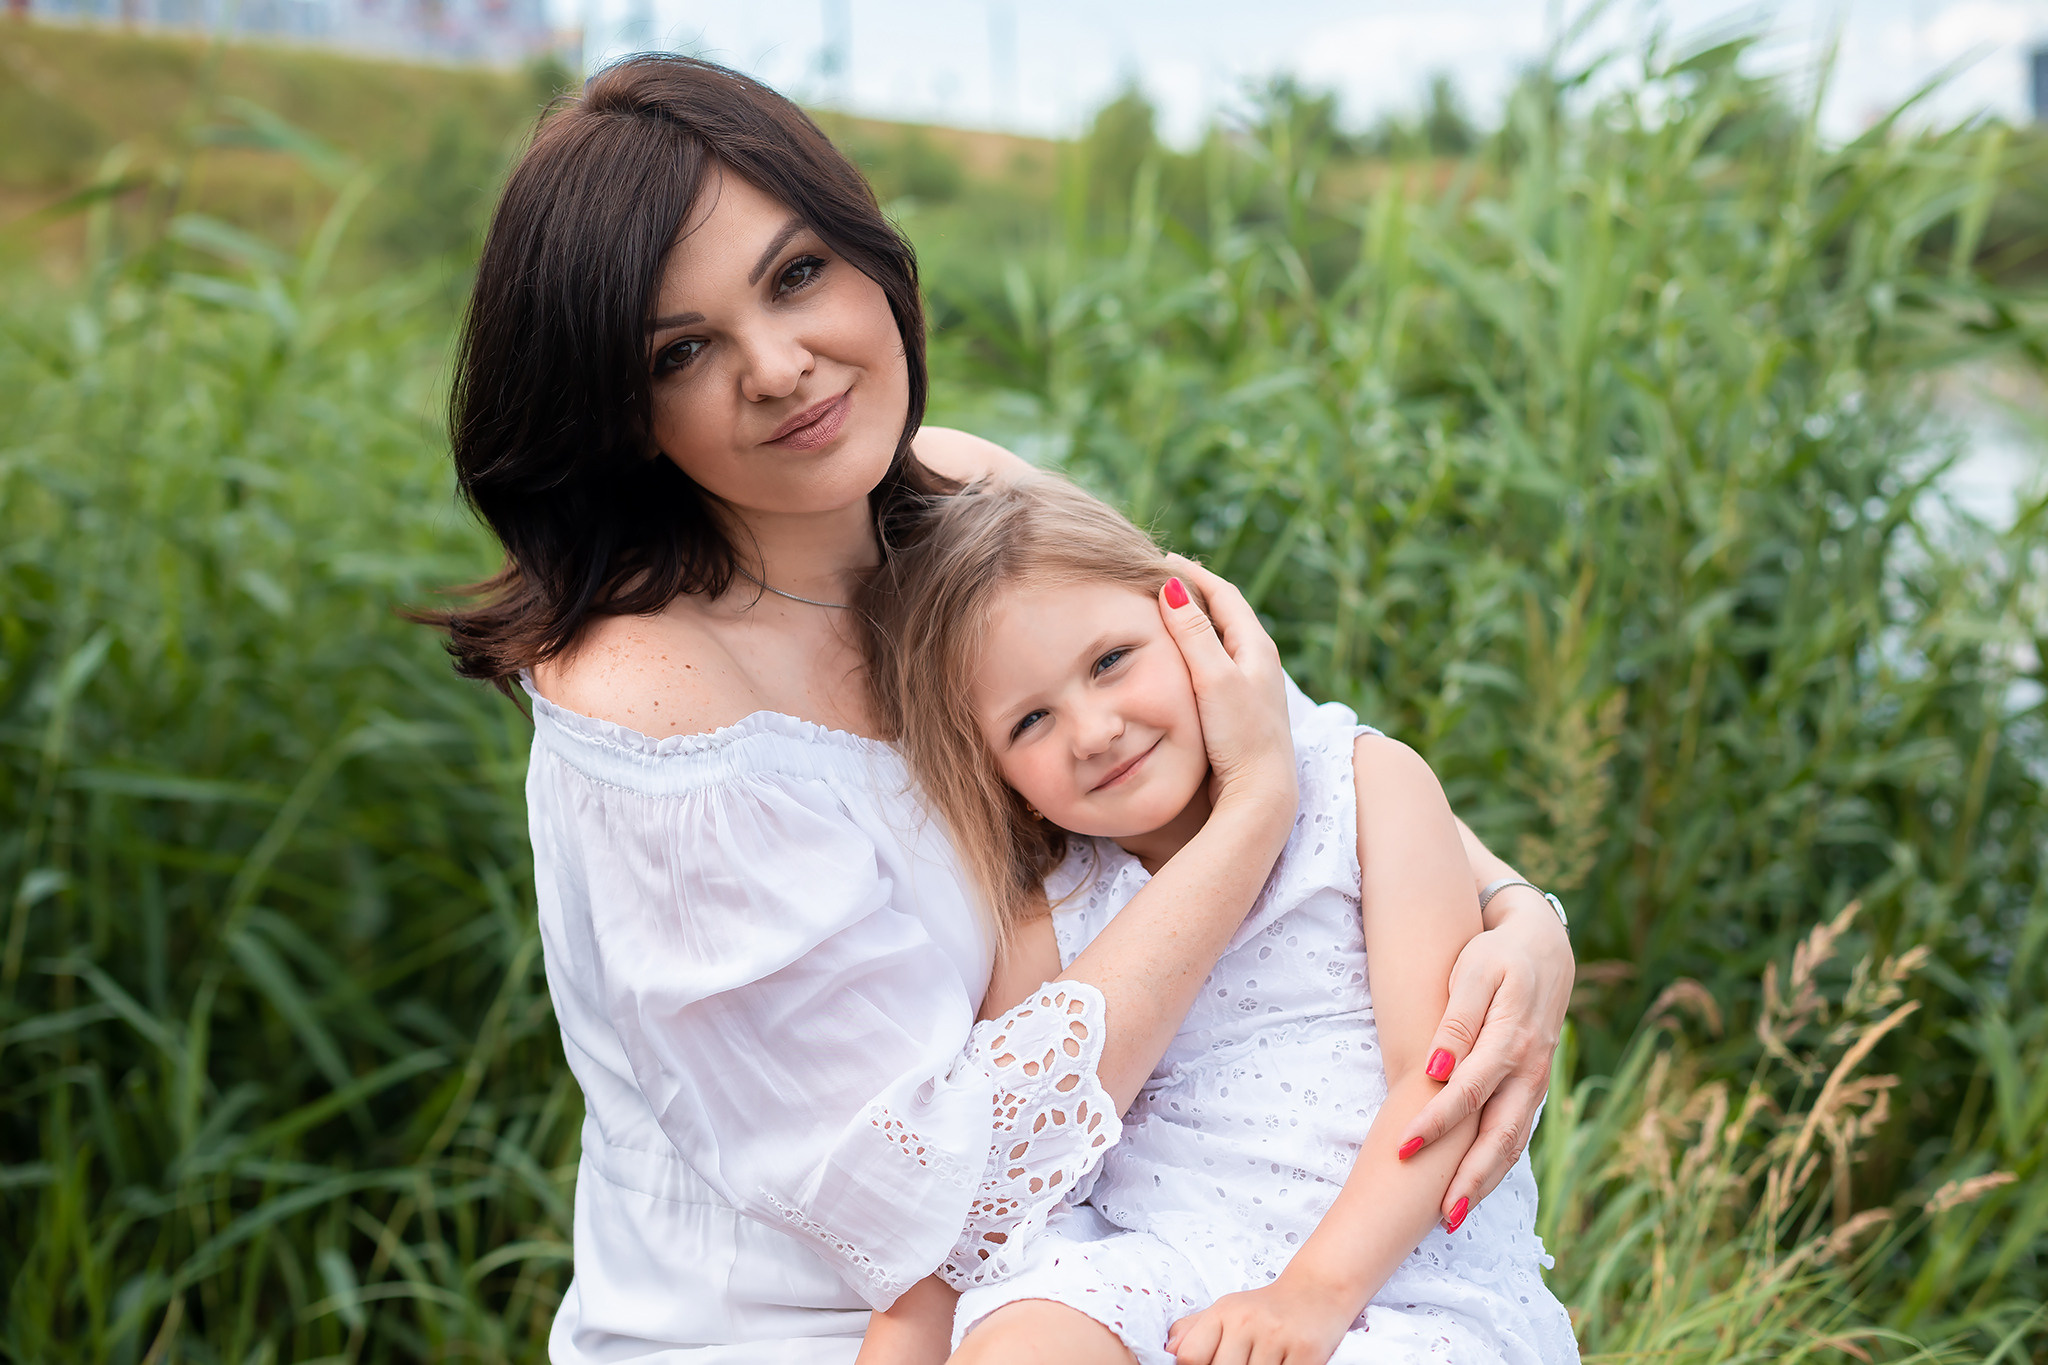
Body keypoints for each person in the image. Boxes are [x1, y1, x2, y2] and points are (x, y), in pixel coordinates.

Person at [426, 52, 1578, 1363]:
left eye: (797, 274)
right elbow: (933, 1197)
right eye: (684, 349)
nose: (781, 365)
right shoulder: (658, 712)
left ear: (872, 255)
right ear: (620, 410)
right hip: (841, 1331)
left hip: (1112, 1267)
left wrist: (1520, 920)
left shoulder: (961, 500)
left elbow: (1294, 752)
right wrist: (1250, 820)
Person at [858, 477, 1578, 1365]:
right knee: (1026, 1337)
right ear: (996, 772)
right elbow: (1007, 1174)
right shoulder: (1056, 906)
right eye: (1031, 719)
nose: (1092, 729)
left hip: (1392, 1261)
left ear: (1195, 622)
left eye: (1111, 660)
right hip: (1166, 1254)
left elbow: (1443, 1086)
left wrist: (1310, 1296)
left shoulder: (1364, 794)